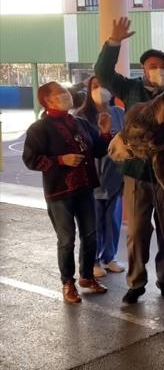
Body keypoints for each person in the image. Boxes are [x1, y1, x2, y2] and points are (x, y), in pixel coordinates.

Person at [95, 16, 164, 304]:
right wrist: (113, 42)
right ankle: (136, 282)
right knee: (138, 231)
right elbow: (103, 73)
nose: (159, 71)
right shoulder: (131, 90)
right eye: (154, 67)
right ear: (144, 70)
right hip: (137, 175)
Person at [22, 81, 111, 304]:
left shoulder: (79, 123)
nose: (66, 95)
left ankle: (87, 277)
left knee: (90, 235)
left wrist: (105, 132)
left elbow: (99, 150)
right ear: (47, 100)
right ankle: (67, 283)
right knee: (67, 239)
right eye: (60, 93)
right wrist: (61, 160)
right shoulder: (39, 128)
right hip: (59, 193)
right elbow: (31, 160)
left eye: (65, 91)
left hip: (85, 188)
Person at [76, 76, 126, 277]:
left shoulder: (120, 114)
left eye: (104, 85)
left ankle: (109, 257)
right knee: (93, 223)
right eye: (95, 86)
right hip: (92, 179)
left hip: (116, 176)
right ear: (89, 90)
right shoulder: (81, 117)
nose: (100, 90)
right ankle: (93, 260)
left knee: (113, 221)